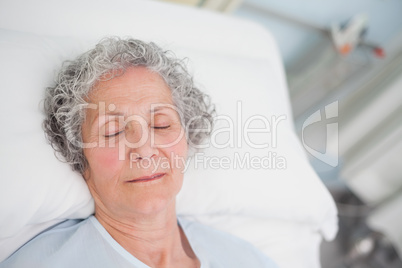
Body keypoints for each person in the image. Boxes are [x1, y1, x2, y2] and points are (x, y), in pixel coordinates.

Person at [0, 37, 277, 268]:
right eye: (112, 132)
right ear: (80, 157)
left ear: (187, 139)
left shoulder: (246, 259)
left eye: (161, 124)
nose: (144, 149)